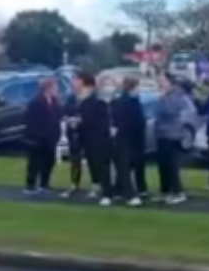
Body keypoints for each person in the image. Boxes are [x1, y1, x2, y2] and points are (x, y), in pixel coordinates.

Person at [153, 72, 195, 206]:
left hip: (172, 134)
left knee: (171, 165)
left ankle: (178, 192)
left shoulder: (176, 95)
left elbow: (170, 111)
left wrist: (163, 98)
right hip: (161, 133)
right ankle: (165, 191)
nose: (159, 83)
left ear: (169, 82)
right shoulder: (165, 95)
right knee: (163, 165)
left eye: (161, 80)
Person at [78, 73, 117, 207]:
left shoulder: (106, 102)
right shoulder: (88, 102)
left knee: (107, 166)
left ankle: (110, 192)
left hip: (106, 139)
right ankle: (103, 189)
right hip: (93, 139)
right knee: (97, 165)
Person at [112, 76, 148, 207]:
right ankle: (129, 194)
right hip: (125, 138)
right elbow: (123, 121)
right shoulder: (124, 101)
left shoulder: (133, 100)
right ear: (132, 87)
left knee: (128, 165)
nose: (140, 89)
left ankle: (118, 190)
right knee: (125, 167)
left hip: (132, 138)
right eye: (138, 86)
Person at [24, 77, 63, 195]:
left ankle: (44, 184)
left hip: (51, 137)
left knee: (49, 161)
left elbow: (58, 117)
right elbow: (30, 120)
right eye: (55, 87)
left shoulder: (56, 102)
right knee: (34, 162)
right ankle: (30, 185)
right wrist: (34, 135)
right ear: (47, 88)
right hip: (37, 137)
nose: (57, 89)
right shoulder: (35, 102)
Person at [61, 74, 89, 199]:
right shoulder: (71, 98)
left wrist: (81, 120)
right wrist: (69, 120)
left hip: (86, 132)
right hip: (73, 133)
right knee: (74, 159)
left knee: (93, 158)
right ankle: (74, 183)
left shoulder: (87, 97)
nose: (74, 84)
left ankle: (96, 183)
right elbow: (65, 112)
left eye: (76, 82)